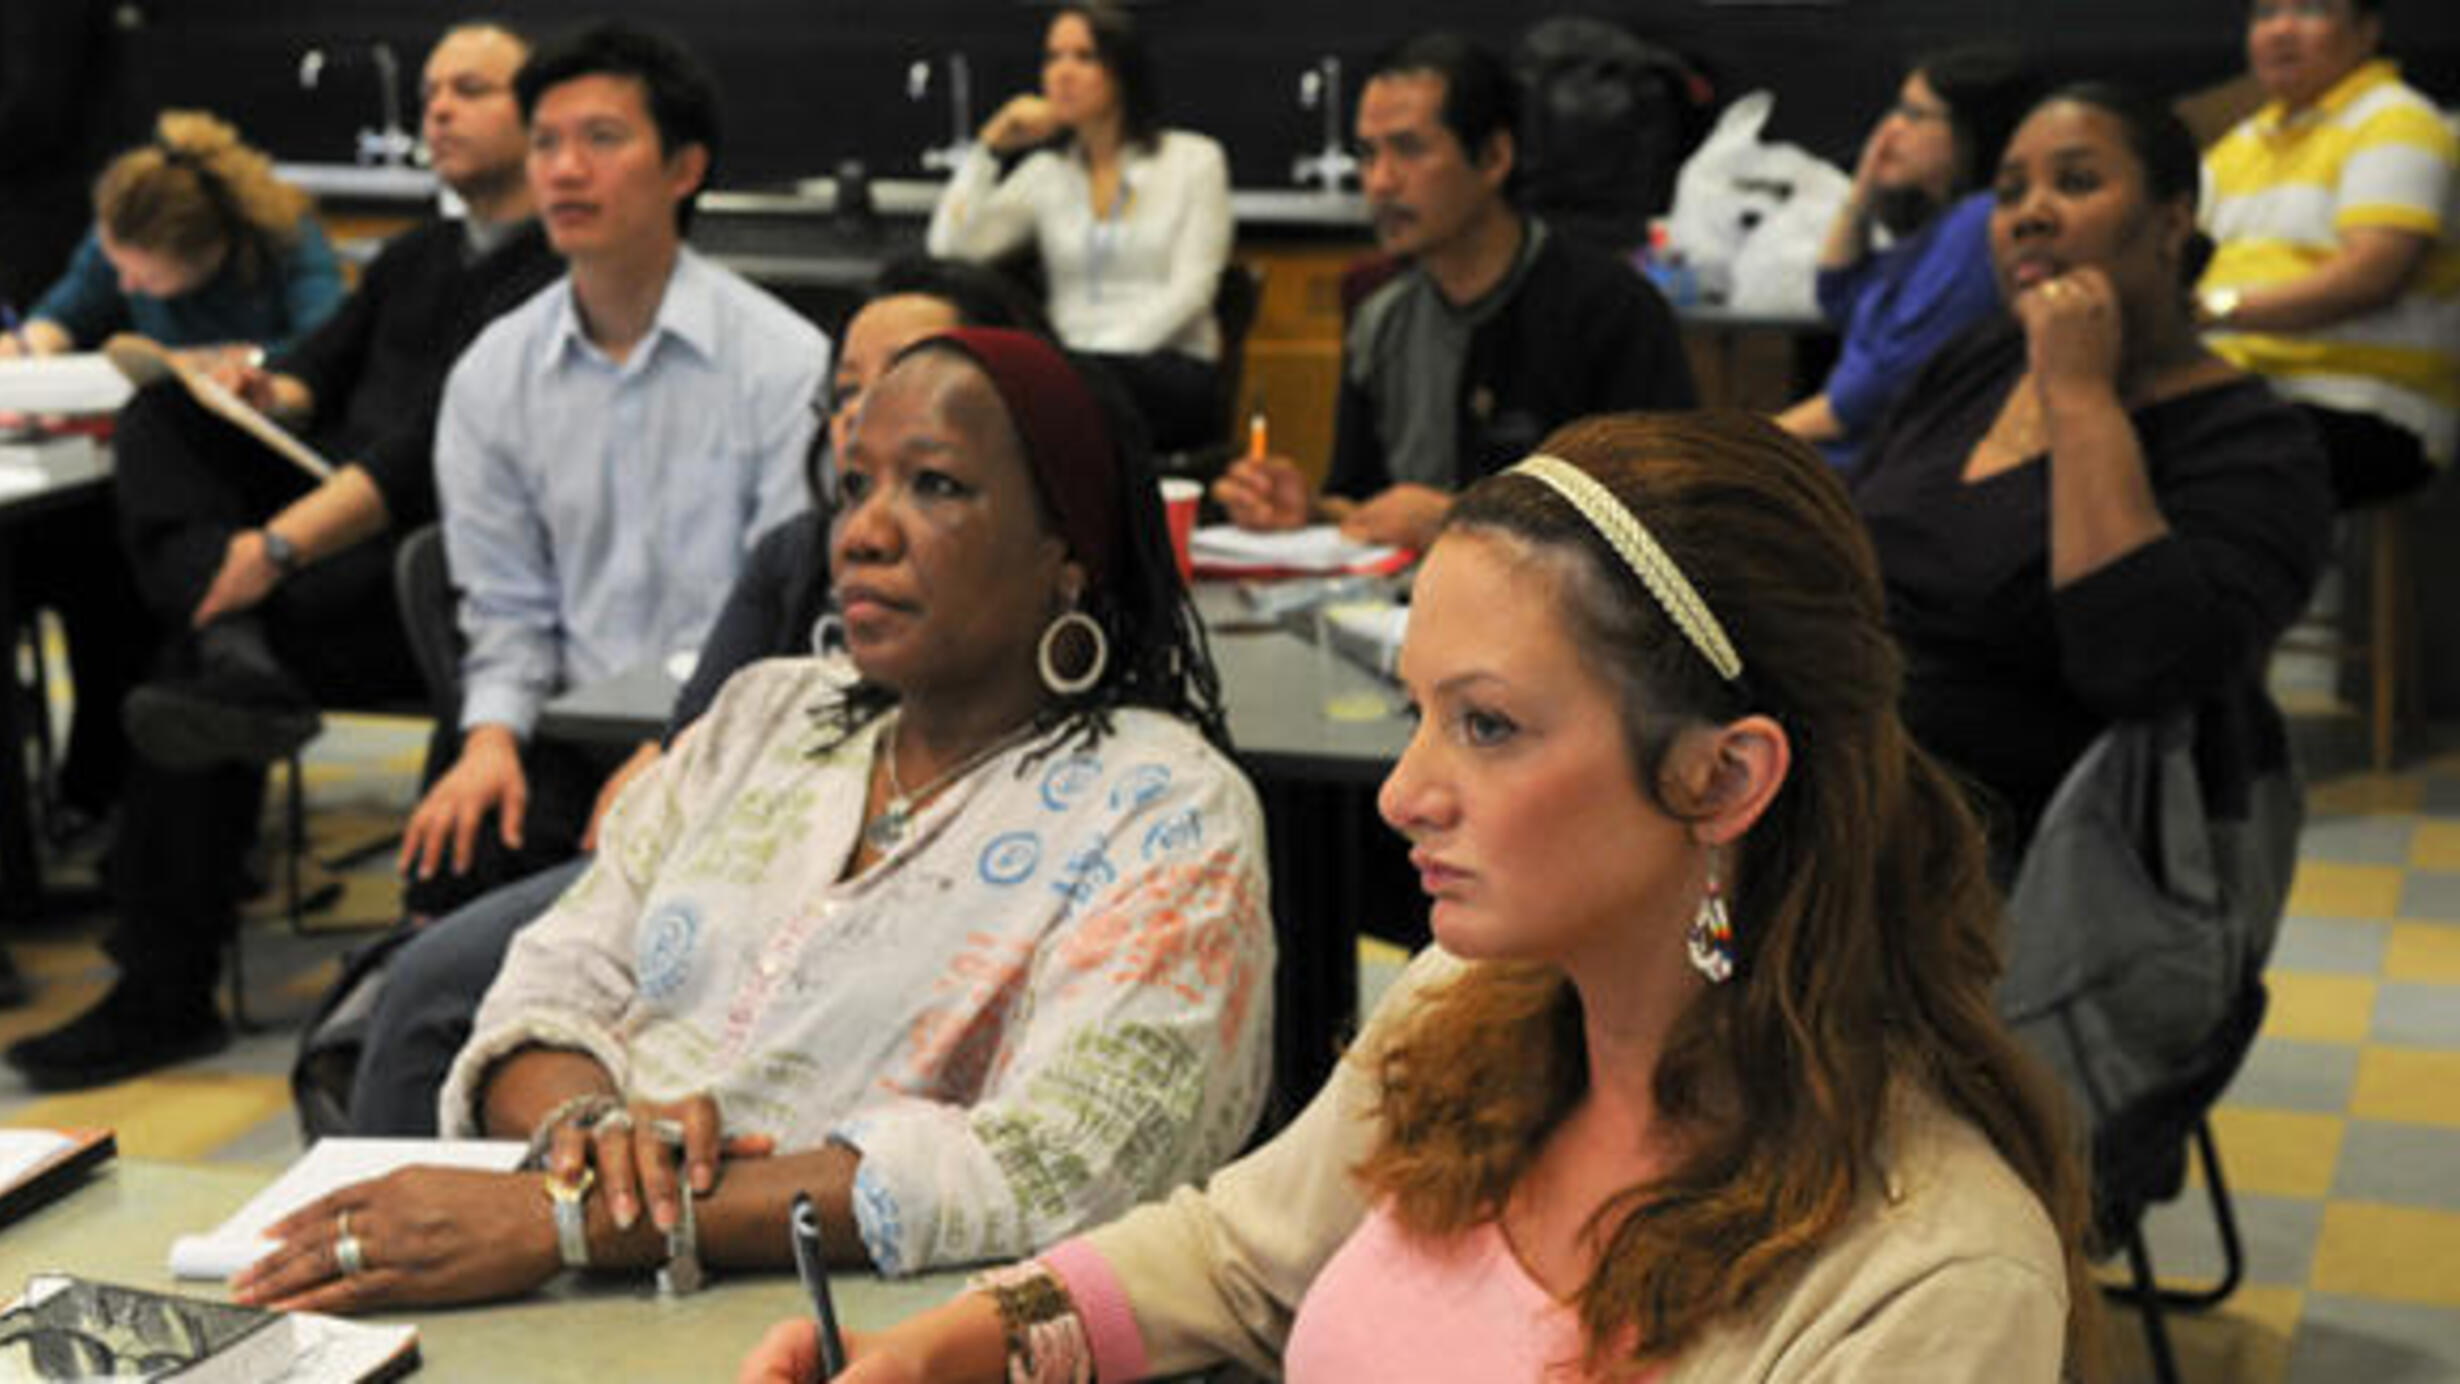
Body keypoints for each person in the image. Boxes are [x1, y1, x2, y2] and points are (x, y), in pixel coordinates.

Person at [742, 413, 2100, 1383]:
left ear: (1723, 777)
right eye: (1420, 714)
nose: (1404, 794)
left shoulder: (1934, 1277)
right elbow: (1237, 1256)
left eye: (1490, 728)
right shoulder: (1475, 1009)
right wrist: (946, 1351)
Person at [229, 329, 1273, 1312]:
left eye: (937, 486)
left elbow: (1072, 1162)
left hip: (864, 1332)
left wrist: (586, 1220)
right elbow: (552, 977)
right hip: (574, 1292)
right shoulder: (769, 714)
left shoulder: (1164, 807)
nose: (863, 531)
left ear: (1069, 551)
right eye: (857, 485)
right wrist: (590, 1133)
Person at [343, 257, 1044, 1137]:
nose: (867, 413)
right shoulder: (799, 557)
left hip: (908, 879)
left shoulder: (1089, 704)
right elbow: (696, 749)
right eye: (849, 390)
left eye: (907, 379)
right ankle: (389, 1229)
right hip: (728, 864)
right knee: (431, 982)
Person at [0, 23, 562, 1088]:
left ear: (538, 122)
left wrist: (270, 549)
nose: (436, 108)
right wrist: (257, 392)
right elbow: (318, 372)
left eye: (470, 89)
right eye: (432, 88)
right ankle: (234, 651)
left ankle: (161, 991)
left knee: (187, 655)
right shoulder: (415, 256)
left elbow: (430, 453)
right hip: (320, 553)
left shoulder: (547, 281)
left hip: (426, 575)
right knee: (160, 420)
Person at [394, 22, 827, 921]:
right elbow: (506, 611)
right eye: (546, 142)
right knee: (460, 845)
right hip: (565, 723)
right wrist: (488, 740)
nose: (562, 170)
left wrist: (681, 745)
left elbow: (783, 615)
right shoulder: (494, 372)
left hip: (738, 724)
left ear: (684, 168)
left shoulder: (782, 363)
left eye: (602, 139)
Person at [1852, 83, 2332, 869]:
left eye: (2075, 183)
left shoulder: (2254, 444)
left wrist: (2078, 394)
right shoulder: (1979, 360)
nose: (2029, 214)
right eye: (2010, 193)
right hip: (1851, 805)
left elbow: (2139, 664)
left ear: (2173, 222)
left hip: (2045, 872)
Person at [1211, 33, 1693, 553]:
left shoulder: (1609, 310)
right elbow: (1362, 498)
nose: (1380, 181)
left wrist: (1460, 522)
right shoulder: (1381, 315)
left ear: (1493, 157)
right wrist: (1312, 512)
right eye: (1368, 155)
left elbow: (1662, 526)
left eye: (1409, 149)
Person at [925, 1, 1231, 453]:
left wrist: (1093, 362)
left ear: (1122, 69)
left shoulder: (1193, 160)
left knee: (1037, 412)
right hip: (1071, 374)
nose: (1062, 73)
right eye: (1052, 57)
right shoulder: (1048, 173)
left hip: (1167, 369)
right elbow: (950, 249)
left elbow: (1192, 290)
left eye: (1083, 57)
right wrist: (988, 149)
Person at [2198, 0, 2458, 506]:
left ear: (2366, 32)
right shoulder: (2238, 146)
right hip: (2245, 389)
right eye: (2265, 14)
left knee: (2177, 457)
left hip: (2364, 405)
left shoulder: (2397, 120)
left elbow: (2370, 276)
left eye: (2311, 10)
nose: (2281, 30)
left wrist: (2212, 310)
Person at [1775, 47, 2038, 469]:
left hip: (1880, 475)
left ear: (1968, 132)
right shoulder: (1940, 227)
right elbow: (1838, 295)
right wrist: (1861, 193)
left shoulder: (1977, 226)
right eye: (1896, 109)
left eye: (1915, 115)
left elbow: (1872, 393)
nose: (1889, 130)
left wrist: (1752, 440)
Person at [0, 109, 342, 360]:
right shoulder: (125, 231)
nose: (125, 286)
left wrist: (226, 361)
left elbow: (327, 348)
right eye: (119, 268)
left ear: (207, 252)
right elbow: (66, 311)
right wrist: (31, 343)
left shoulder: (287, 237)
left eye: (147, 280)